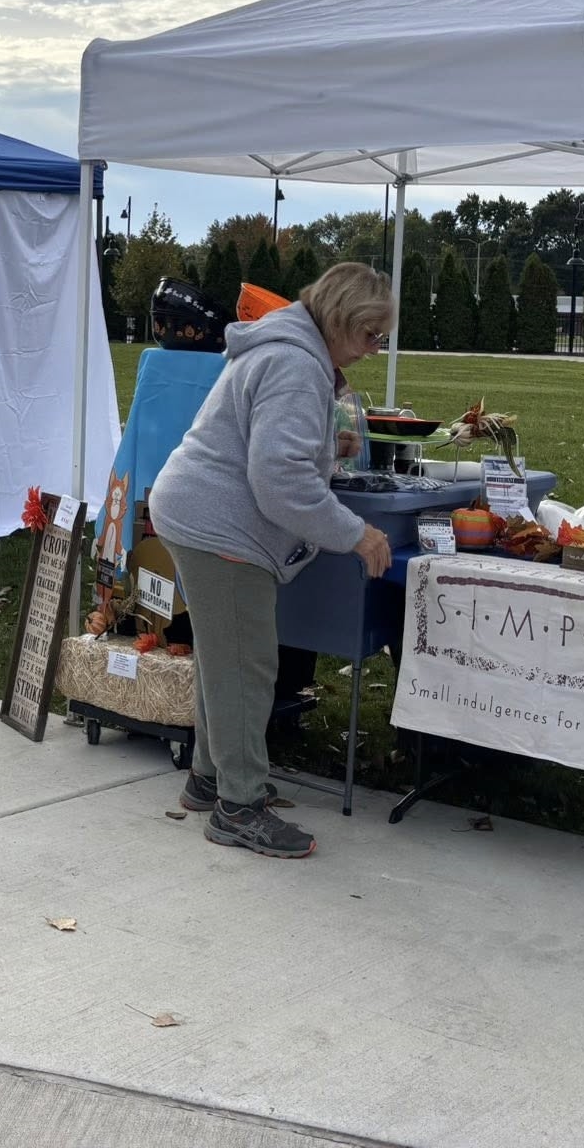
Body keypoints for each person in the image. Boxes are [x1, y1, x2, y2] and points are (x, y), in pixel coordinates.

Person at [146, 262, 396, 860]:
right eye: (371, 336)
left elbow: (266, 444)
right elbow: (278, 481)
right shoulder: (294, 362)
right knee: (244, 667)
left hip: (201, 514)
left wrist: (321, 443)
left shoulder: (290, 349)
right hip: (220, 527)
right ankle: (239, 807)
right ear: (341, 321)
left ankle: (211, 780)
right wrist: (356, 534)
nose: (373, 350)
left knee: (223, 658)